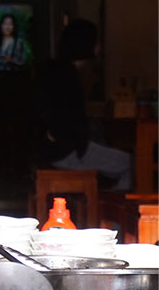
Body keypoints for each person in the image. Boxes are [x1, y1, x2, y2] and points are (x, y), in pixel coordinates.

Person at [31, 18, 131, 191]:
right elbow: (67, 117)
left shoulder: (56, 70)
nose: (99, 46)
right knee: (132, 163)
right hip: (67, 150)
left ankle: (106, 203)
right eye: (96, 41)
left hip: (55, 148)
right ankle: (116, 209)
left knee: (120, 160)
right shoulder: (67, 74)